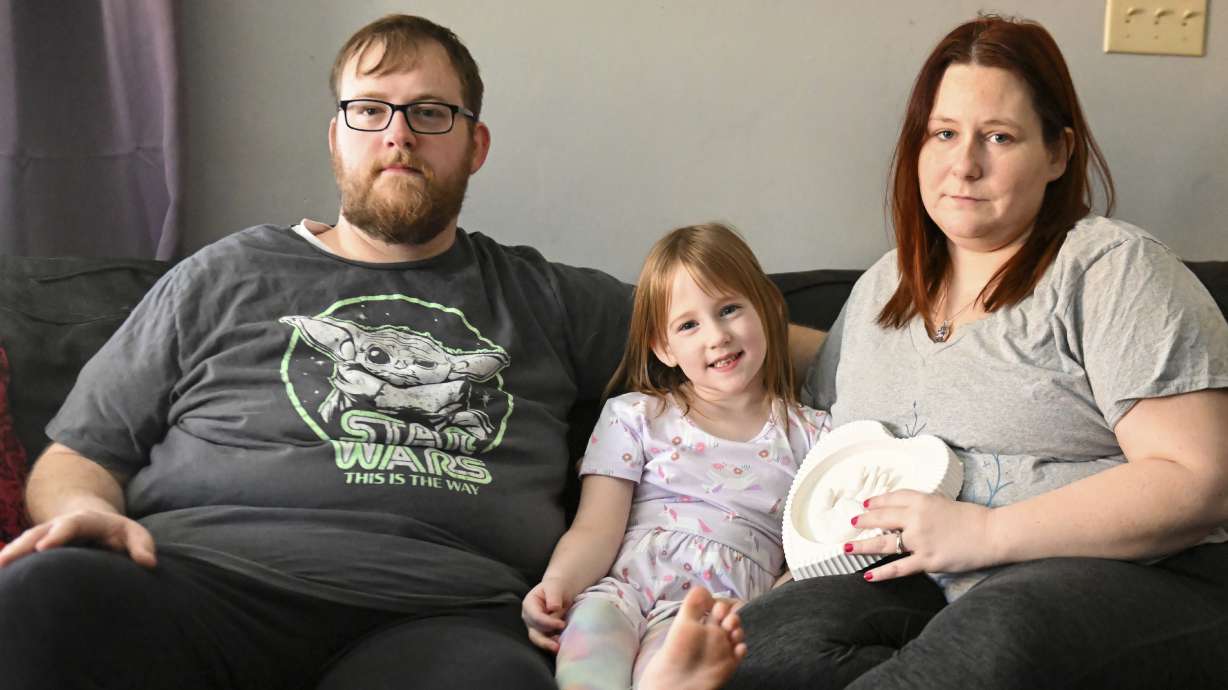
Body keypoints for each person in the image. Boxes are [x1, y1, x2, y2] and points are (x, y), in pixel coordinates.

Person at [0, 14, 641, 690]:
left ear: (474, 144)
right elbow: (77, 458)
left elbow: (737, 336)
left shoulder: (546, 298)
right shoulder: (221, 276)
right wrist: (89, 514)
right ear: (337, 137)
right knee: (43, 594)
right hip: (198, 590)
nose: (398, 133)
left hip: (440, 619)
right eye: (370, 109)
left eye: (430, 112)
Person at [725, 14, 1228, 690]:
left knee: (991, 638)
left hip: (1132, 575)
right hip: (922, 577)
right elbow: (832, 405)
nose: (965, 164)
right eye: (944, 134)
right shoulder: (887, 283)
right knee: (762, 642)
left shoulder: (1110, 269)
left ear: (1057, 153)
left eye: (998, 136)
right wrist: (723, 326)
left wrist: (986, 534)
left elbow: (1197, 480)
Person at [521, 223, 830, 690]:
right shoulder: (635, 417)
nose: (717, 336)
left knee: (676, 659)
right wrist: (558, 586)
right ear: (663, 347)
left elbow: (812, 556)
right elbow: (594, 529)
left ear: (766, 310)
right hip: (623, 591)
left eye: (729, 310)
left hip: (717, 609)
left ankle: (673, 677)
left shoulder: (813, 436)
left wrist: (766, 610)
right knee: (591, 651)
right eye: (689, 324)